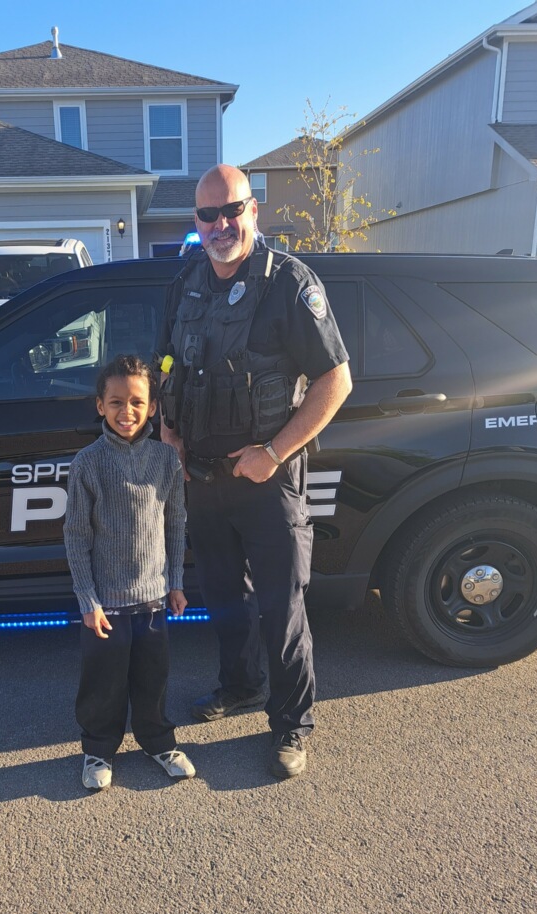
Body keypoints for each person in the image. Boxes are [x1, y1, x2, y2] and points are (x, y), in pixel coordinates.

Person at [159, 164, 352, 779]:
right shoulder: (186, 282)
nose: (220, 225)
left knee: (281, 603)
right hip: (204, 478)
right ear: (195, 220)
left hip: (266, 479)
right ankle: (240, 685)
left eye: (231, 211)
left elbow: (335, 379)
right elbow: (167, 366)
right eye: (207, 215)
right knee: (223, 596)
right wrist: (170, 436)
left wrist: (272, 454)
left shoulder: (289, 284)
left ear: (254, 210)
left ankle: (292, 723)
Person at [64, 354, 196, 791]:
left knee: (152, 676)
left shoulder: (166, 460)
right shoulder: (88, 462)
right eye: (116, 402)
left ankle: (157, 740)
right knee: (103, 682)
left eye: (138, 402)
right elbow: (76, 535)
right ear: (100, 405)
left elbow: (174, 522)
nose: (128, 412)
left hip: (154, 597)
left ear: (153, 407)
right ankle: (98, 749)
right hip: (106, 604)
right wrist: (88, 600)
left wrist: (175, 581)